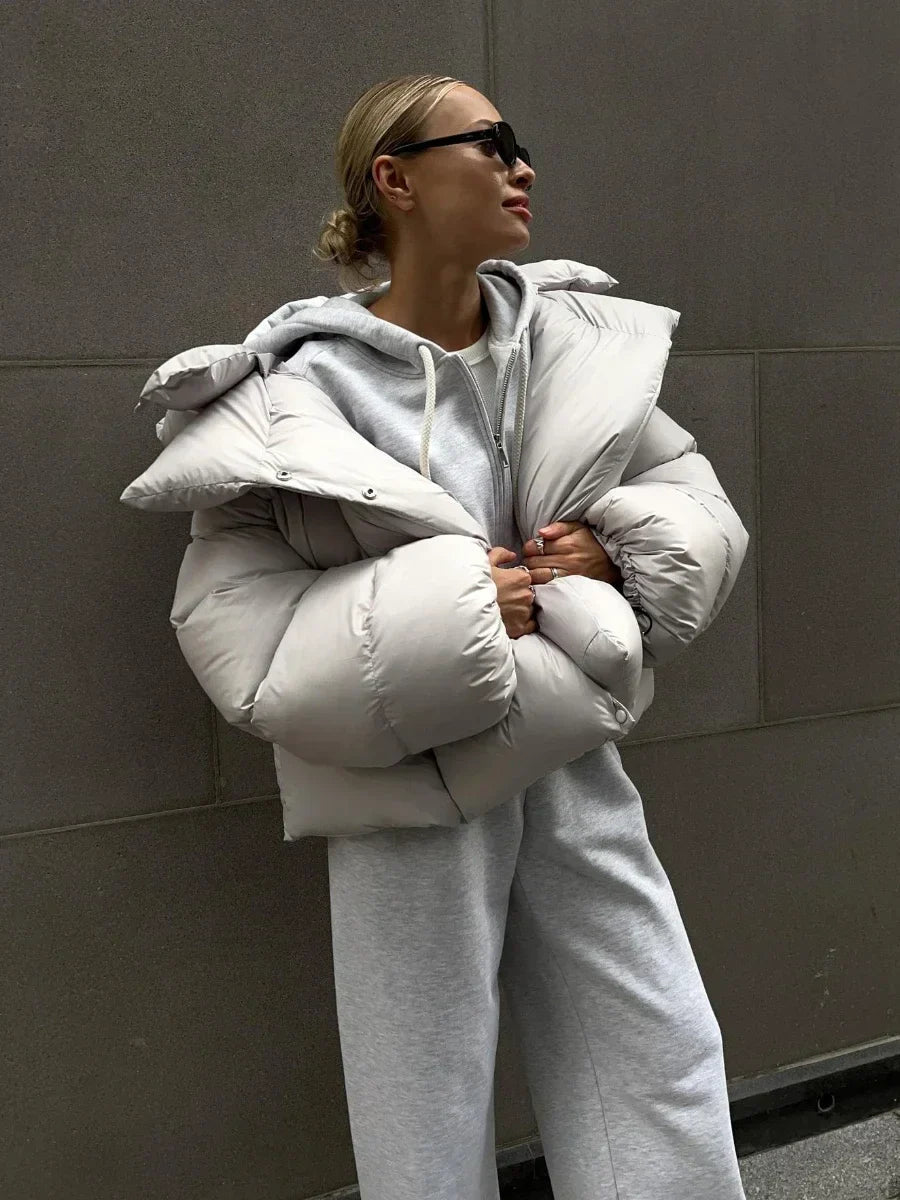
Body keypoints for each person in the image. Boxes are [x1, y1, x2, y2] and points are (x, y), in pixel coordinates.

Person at [121, 73, 749, 1200]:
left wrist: (612, 550)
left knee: (659, 1052)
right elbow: (236, 631)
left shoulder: (568, 347)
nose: (522, 166)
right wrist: (457, 605)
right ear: (396, 181)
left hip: (569, 764)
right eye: (490, 142)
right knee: (425, 1103)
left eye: (521, 143)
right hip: (404, 791)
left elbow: (692, 500)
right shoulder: (295, 395)